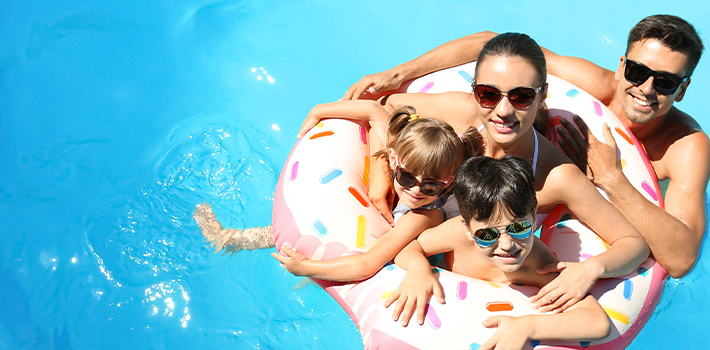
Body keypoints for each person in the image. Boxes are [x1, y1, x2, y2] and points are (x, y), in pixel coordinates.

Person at [299, 32, 649, 325]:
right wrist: (380, 185)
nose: (503, 111)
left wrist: (592, 269)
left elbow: (633, 244)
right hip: (410, 236)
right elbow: (386, 109)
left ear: (542, 94)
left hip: (474, 264)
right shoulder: (462, 112)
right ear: (475, 91)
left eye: (522, 96)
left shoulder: (555, 175)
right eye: (488, 94)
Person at [340, 15, 710, 279]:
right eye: (637, 72)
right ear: (622, 66)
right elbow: (493, 45)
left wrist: (611, 178)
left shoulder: (684, 145)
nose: (646, 89)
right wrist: (400, 74)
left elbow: (680, 259)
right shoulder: (589, 86)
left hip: (594, 192)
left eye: (665, 81)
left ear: (683, 88)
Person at [197, 102, 484, 282]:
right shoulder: (404, 153)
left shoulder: (426, 215)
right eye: (406, 177)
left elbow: (367, 264)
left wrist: (307, 267)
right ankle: (231, 238)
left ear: (448, 183)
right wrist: (319, 111)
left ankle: (232, 239)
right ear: (394, 160)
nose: (416, 190)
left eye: (431, 185)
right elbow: (374, 112)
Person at [393, 155, 611, 349]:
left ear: (534, 218)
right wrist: (418, 268)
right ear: (468, 229)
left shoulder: (539, 265)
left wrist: (527, 326)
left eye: (519, 228)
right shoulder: (457, 235)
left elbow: (597, 322)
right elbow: (409, 247)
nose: (507, 245)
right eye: (487, 234)